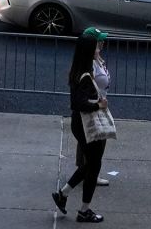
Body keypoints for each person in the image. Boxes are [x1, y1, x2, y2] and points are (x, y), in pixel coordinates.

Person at [52, 32, 112, 223]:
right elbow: (78, 102)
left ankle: (63, 194)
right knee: (94, 167)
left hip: (79, 124)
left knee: (90, 165)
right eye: (96, 46)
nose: (99, 48)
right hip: (87, 124)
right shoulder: (85, 75)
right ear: (88, 50)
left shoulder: (79, 70)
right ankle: (84, 210)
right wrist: (98, 105)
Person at [74, 27, 112, 187]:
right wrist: (97, 105)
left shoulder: (96, 59)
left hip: (99, 104)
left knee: (92, 141)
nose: (102, 43)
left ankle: (86, 170)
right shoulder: (88, 64)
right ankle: (89, 172)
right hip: (93, 106)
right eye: (99, 40)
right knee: (94, 141)